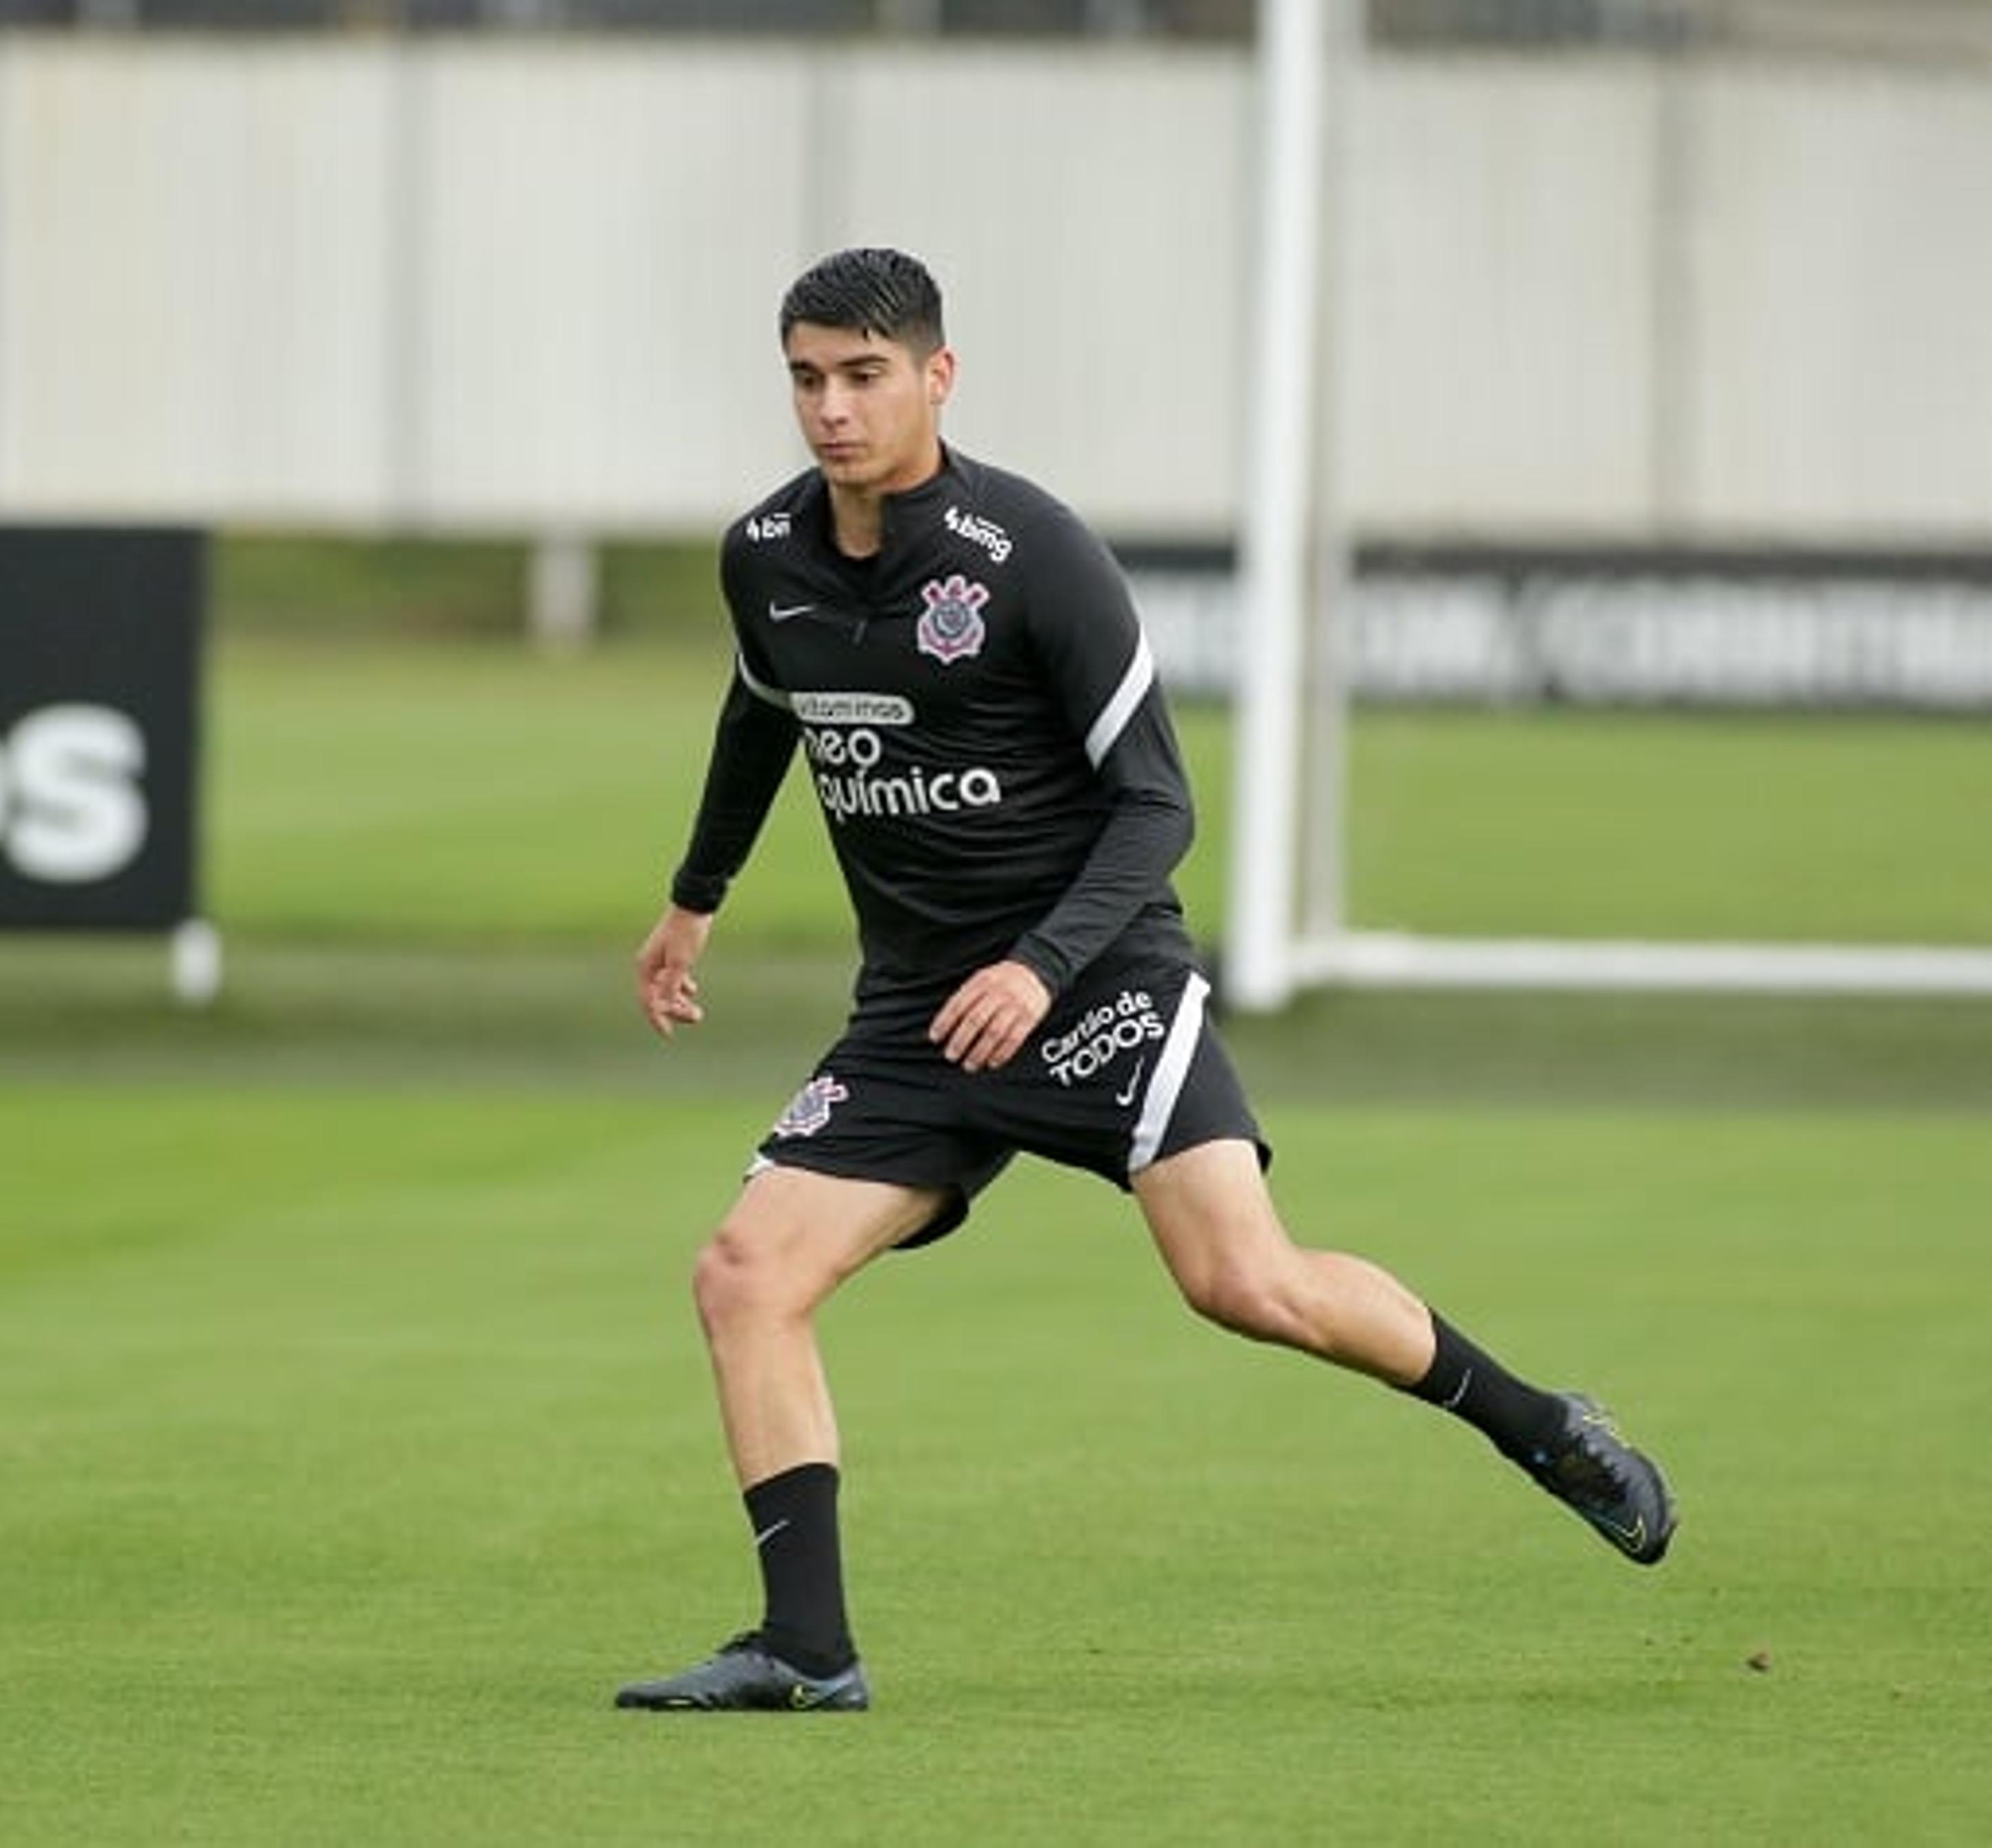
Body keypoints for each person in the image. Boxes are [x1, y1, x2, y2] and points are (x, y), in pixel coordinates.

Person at [613, 247, 1675, 1715]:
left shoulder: (1033, 551)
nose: (832, 409)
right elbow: (761, 715)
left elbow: (1158, 804)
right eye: (807, 377)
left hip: (1094, 976)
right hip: (920, 1014)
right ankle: (807, 1650)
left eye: (864, 376)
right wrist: (694, 901)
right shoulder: (767, 555)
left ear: (938, 375)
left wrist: (1044, 968)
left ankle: (1541, 1426)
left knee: (1248, 1283)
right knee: (744, 1274)